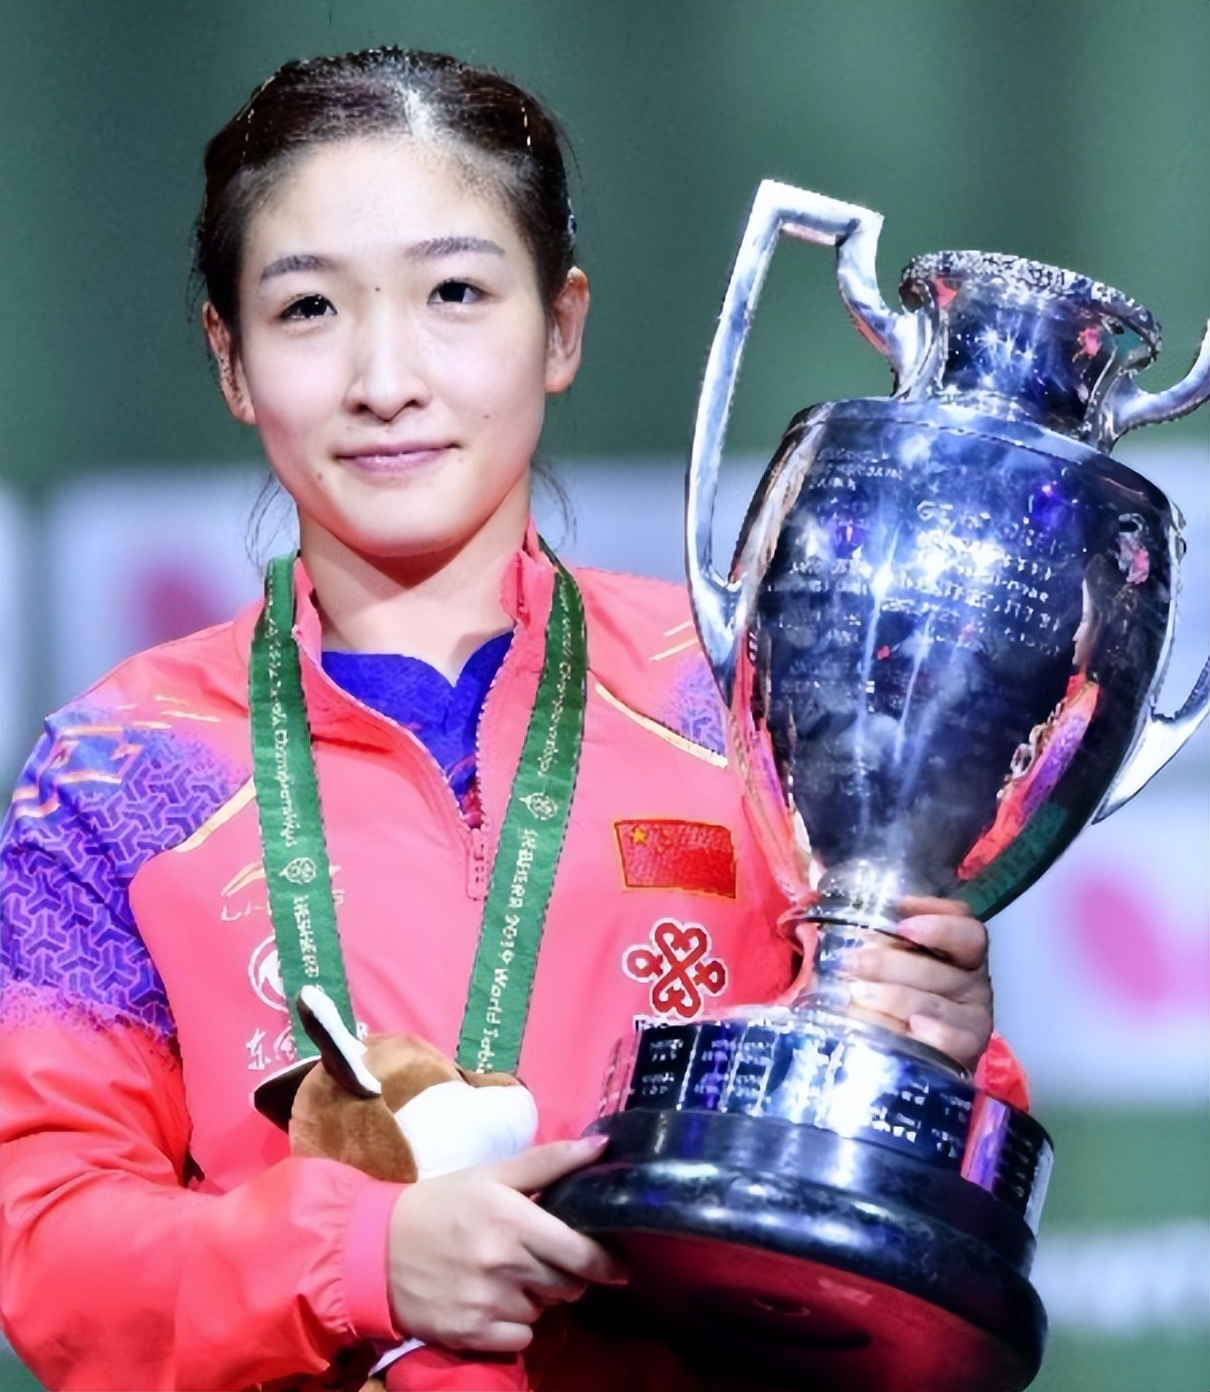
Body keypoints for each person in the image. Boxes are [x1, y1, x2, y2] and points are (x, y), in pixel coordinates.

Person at [0, 48, 1026, 1392]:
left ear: (560, 328)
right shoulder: (121, 769)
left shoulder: (747, 702)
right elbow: (49, 1241)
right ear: (231, 360)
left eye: (455, 294)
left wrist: (924, 1067)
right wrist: (365, 1257)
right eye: (307, 308)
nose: (385, 377)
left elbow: (906, 1261)